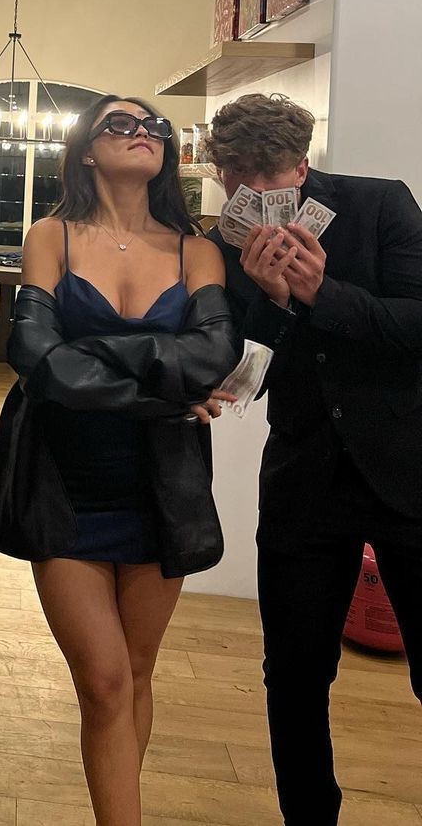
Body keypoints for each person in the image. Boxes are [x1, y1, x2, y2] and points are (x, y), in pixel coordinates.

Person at [0, 95, 239, 826]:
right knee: (102, 679)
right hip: (64, 481)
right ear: (88, 150)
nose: (142, 133)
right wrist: (162, 388)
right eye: (120, 124)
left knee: (135, 671)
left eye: (153, 126)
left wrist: (92, 355)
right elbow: (36, 356)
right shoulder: (52, 236)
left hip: (164, 484)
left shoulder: (196, 249)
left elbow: (215, 353)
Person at [206, 92, 422, 826]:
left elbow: (417, 323)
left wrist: (321, 293)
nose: (255, 197)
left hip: (408, 472)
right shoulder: (224, 244)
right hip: (304, 482)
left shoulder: (379, 206)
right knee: (295, 678)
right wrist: (271, 302)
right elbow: (243, 373)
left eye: (269, 176)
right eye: (238, 178)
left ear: (302, 164)